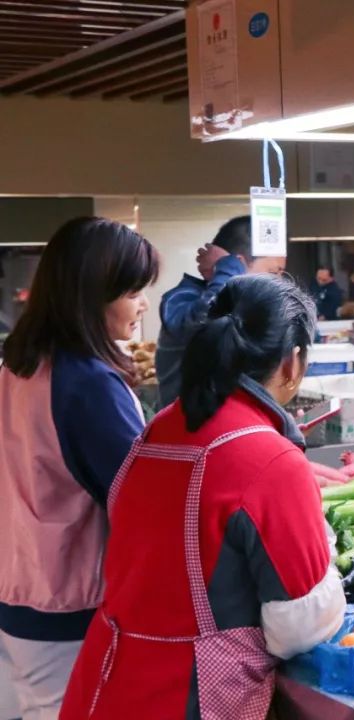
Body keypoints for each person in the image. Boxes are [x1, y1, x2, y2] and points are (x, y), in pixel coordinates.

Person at [60, 275, 345, 720]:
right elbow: (299, 627)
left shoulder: (164, 425)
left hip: (109, 683)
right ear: (292, 363)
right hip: (188, 698)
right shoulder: (269, 457)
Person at [0, 218, 159, 720]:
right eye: (132, 290)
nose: (143, 304)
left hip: (21, 590)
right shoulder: (87, 383)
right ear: (92, 294)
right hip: (70, 606)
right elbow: (141, 496)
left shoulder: (21, 365)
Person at [154, 215, 286, 407]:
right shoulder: (181, 301)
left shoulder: (248, 311)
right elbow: (206, 319)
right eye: (274, 273)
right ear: (238, 266)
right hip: (188, 434)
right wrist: (227, 268)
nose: (278, 283)